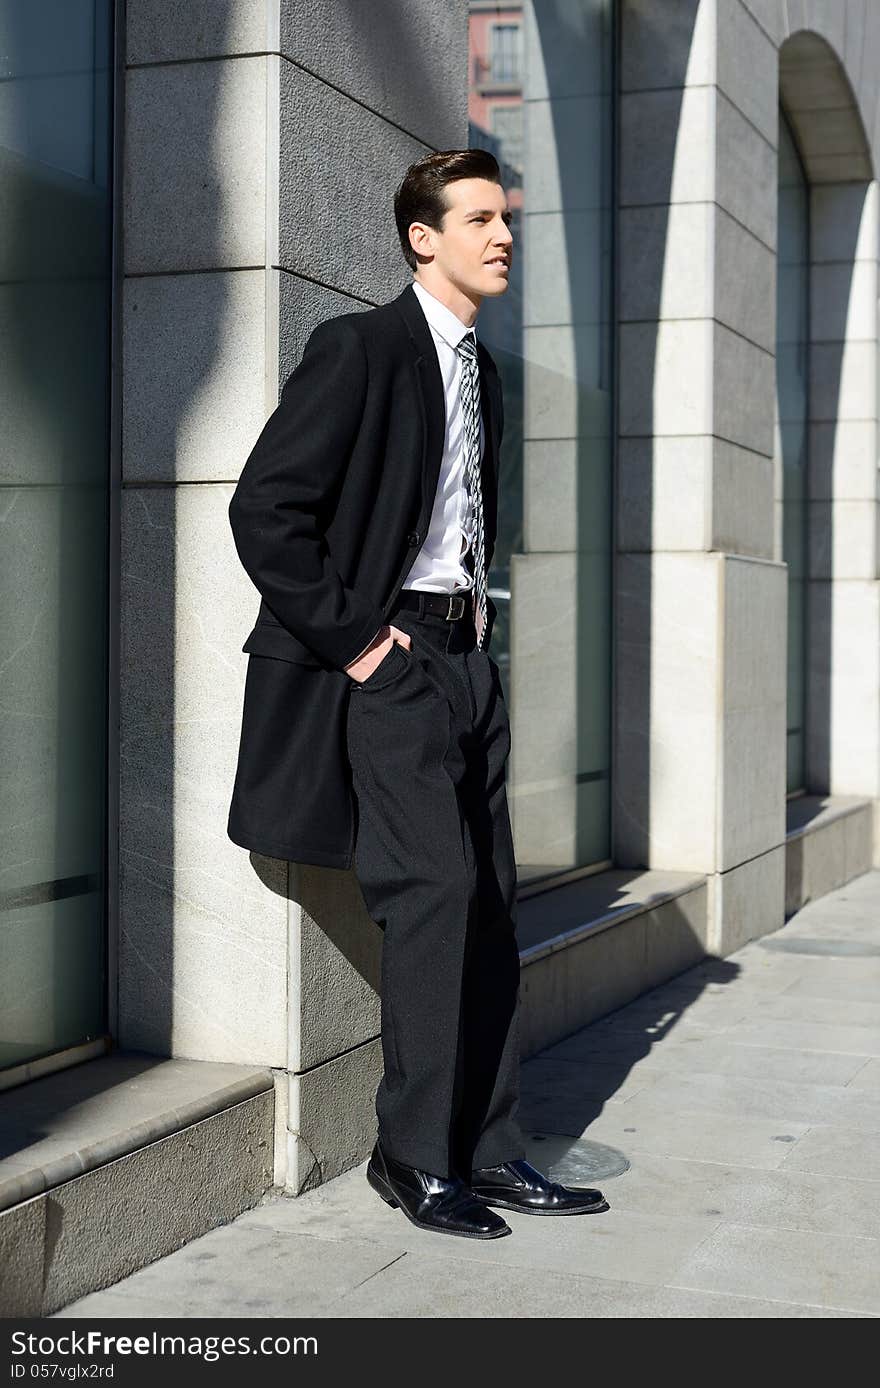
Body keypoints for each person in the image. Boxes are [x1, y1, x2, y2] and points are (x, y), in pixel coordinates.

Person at [227, 149, 609, 1239]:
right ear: (421, 236)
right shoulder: (359, 349)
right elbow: (266, 510)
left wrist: (475, 647)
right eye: (479, 218)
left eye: (508, 220)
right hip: (388, 664)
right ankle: (413, 1156)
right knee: (435, 897)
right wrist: (362, 647)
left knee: (489, 905)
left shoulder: (485, 373)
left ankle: (489, 1150)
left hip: (466, 659)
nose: (502, 236)